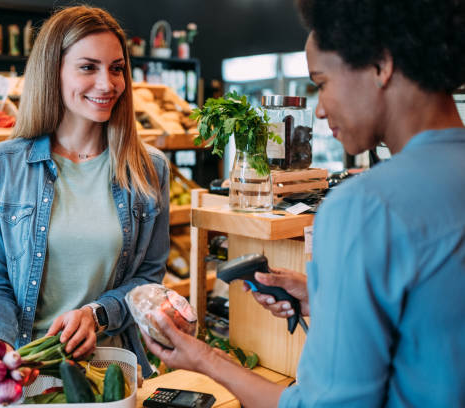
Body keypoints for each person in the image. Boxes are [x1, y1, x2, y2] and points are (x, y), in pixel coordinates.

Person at [142, 0, 465, 406]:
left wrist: (206, 359)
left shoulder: (364, 208)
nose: (321, 110)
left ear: (381, 66)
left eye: (322, 82)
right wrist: (330, 296)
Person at [0, 6, 170, 378]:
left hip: (112, 370)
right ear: (53, 72)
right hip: (28, 368)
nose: (107, 84)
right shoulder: (2, 166)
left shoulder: (149, 169)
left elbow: (148, 280)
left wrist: (97, 315)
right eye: (88, 67)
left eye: (116, 68)